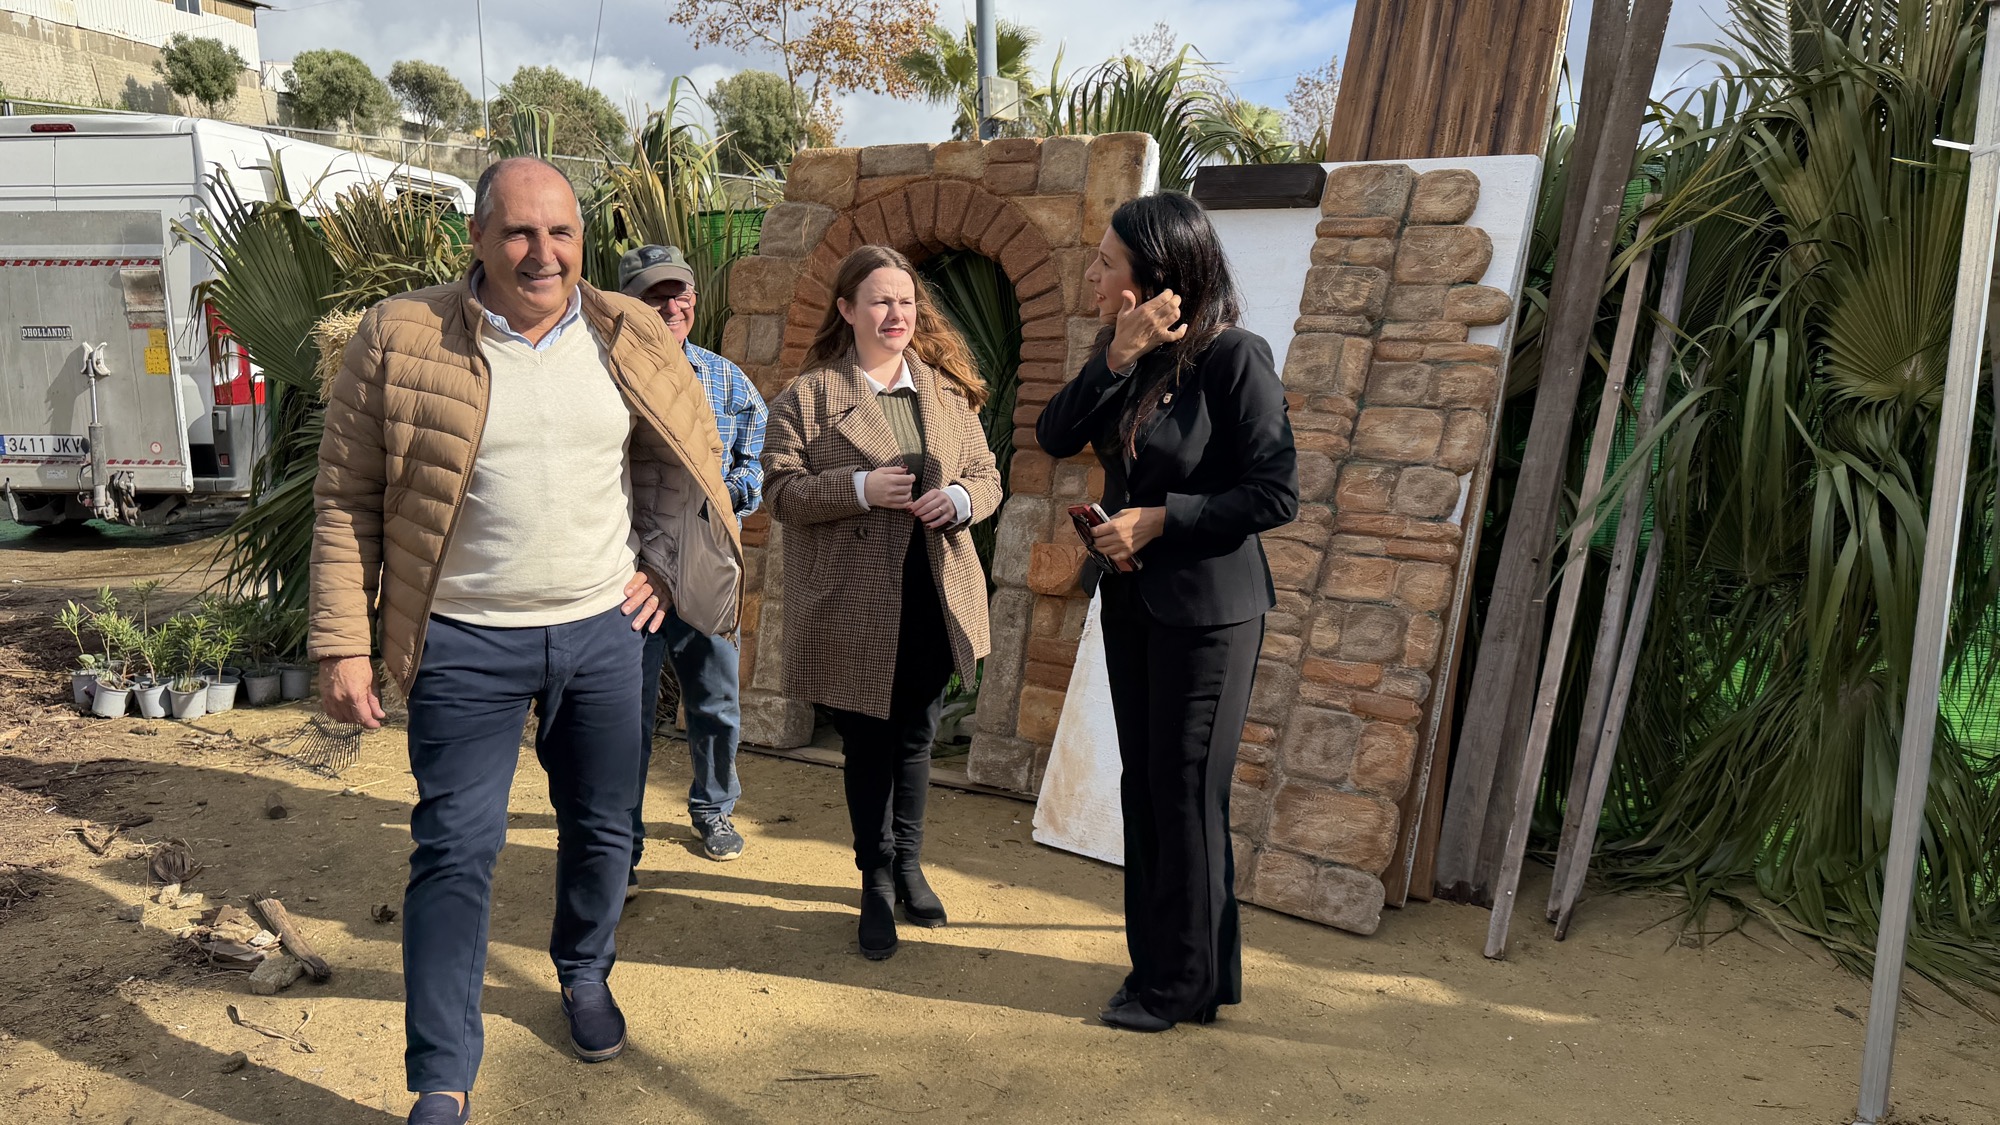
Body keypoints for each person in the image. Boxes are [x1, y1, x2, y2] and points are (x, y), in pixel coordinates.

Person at [310, 157, 743, 1125]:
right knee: (454, 849)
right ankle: (441, 1074)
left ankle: (584, 969)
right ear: (475, 238)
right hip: (464, 638)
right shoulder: (400, 333)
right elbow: (344, 495)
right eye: (517, 231)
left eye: (560, 232)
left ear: (582, 240)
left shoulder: (629, 330)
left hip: (603, 630)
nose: (541, 252)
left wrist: (661, 566)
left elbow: (686, 451)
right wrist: (343, 643)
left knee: (604, 828)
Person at [1035, 193, 1299, 1033]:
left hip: (1211, 613)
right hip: (1131, 600)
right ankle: (1168, 967)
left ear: (1157, 275)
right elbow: (1052, 434)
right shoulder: (1127, 355)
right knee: (1146, 786)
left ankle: (1180, 983)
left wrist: (1161, 518)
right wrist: (1118, 354)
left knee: (1186, 790)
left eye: (1105, 262)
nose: (1091, 273)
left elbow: (1274, 492)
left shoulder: (1235, 358)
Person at [762, 244, 1001, 960]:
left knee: (918, 736)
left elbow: (987, 475)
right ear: (847, 309)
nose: (896, 314)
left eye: (906, 301)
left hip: (933, 593)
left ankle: (909, 866)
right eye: (879, 301)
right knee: (867, 742)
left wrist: (961, 499)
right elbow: (779, 492)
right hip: (852, 600)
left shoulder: (947, 394)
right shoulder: (808, 397)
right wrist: (860, 489)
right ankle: (874, 876)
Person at [617, 244, 768, 870]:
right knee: (626, 710)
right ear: (626, 306)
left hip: (703, 565)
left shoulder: (727, 380)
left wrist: (716, 504)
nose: (670, 306)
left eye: (678, 292)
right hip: (628, 574)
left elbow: (755, 466)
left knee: (716, 699)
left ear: (695, 300)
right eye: (653, 295)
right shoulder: (607, 375)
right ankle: (623, 835)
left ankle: (714, 809)